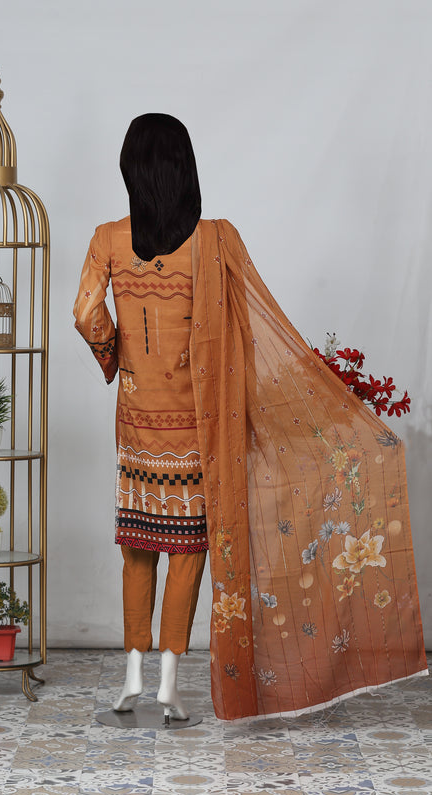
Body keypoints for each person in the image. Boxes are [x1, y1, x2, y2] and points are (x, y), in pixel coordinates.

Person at [74, 114, 427, 722]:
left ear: (131, 170)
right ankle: (168, 682)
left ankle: (130, 675)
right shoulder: (216, 239)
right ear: (184, 169)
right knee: (187, 550)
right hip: (197, 425)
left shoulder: (108, 238)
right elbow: (252, 326)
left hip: (136, 423)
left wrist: (116, 359)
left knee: (137, 545)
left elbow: (85, 313)